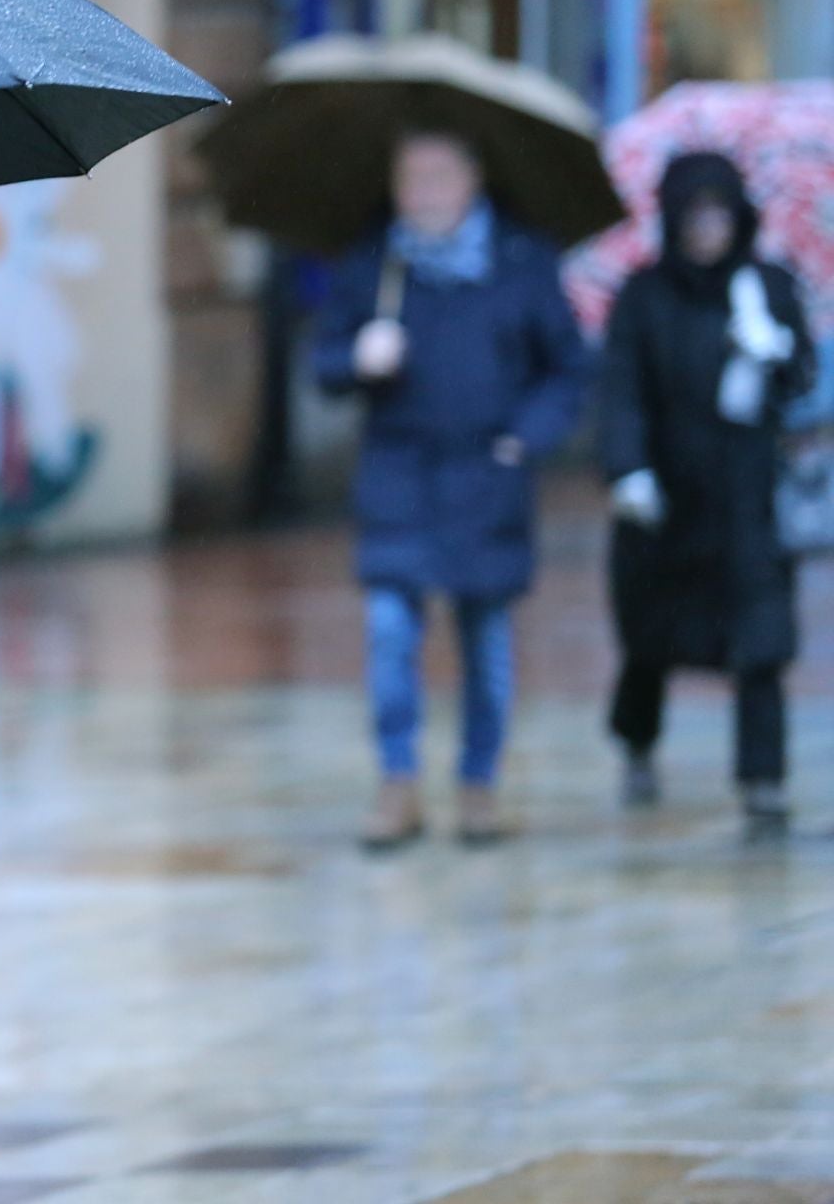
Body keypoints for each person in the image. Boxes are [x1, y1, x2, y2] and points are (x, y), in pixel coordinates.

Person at [314, 130, 587, 850]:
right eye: (411, 178)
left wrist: (524, 438)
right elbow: (326, 362)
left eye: (439, 176)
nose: (425, 194)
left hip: (486, 479)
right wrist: (358, 358)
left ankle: (478, 784)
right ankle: (397, 783)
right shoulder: (376, 262)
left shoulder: (521, 263)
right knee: (389, 632)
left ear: (473, 180)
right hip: (398, 477)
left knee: (485, 642)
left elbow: (566, 369)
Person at [598, 151, 815, 838]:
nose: (707, 229)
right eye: (694, 215)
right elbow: (621, 393)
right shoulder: (644, 296)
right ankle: (638, 741)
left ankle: (764, 780)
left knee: (761, 642)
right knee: (650, 640)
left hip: (748, 500)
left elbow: (802, 379)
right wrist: (627, 469)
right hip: (664, 502)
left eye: (720, 213)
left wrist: (772, 352)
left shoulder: (771, 287)